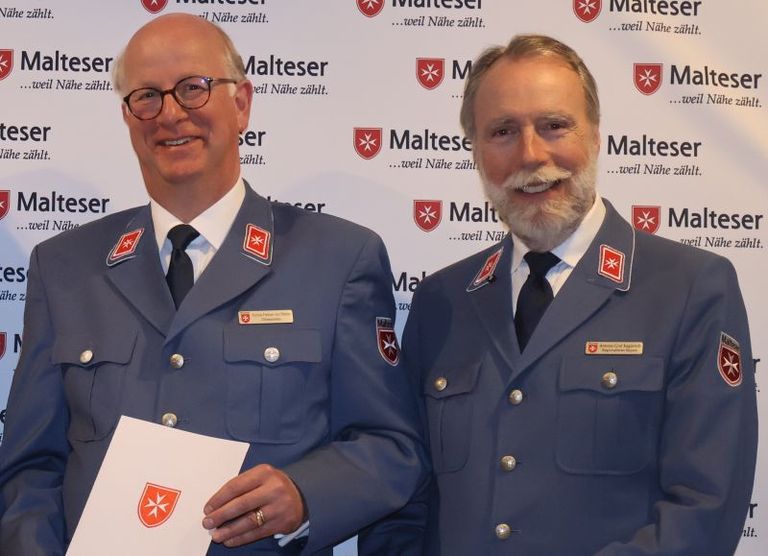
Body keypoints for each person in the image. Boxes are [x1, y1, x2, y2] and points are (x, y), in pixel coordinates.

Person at [0, 14, 426, 555]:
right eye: (146, 97)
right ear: (128, 117)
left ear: (242, 103)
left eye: (194, 89)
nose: (170, 114)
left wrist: (305, 494)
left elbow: (391, 447)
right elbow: (30, 470)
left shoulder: (338, 258)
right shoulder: (63, 267)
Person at [403, 34, 758, 555]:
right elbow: (406, 497)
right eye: (503, 131)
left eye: (554, 126)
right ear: (475, 153)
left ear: (594, 136)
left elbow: (705, 508)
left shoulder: (690, 288)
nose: (531, 154)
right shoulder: (440, 301)